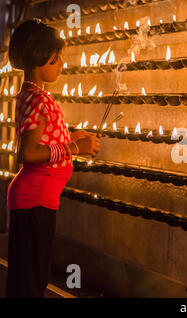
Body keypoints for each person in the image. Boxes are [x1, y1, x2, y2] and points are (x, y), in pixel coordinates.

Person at [5, 18, 100, 298]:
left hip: (39, 199)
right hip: (34, 200)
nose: (61, 64)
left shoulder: (34, 96)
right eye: (56, 59)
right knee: (30, 283)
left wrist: (73, 135)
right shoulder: (37, 99)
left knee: (31, 278)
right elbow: (29, 153)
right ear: (38, 58)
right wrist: (74, 148)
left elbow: (45, 137)